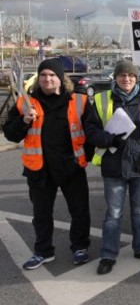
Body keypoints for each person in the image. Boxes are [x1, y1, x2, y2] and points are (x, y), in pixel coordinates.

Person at [3, 59, 92, 270]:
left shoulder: (79, 101)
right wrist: (24, 121)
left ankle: (79, 247)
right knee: (41, 214)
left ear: (61, 78)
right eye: (43, 75)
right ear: (38, 78)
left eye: (52, 75)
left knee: (79, 211)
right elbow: (11, 134)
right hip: (39, 169)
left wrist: (83, 158)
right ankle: (43, 251)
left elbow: (91, 130)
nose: (47, 79)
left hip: (71, 167)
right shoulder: (25, 103)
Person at [85, 60, 140, 275]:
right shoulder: (102, 99)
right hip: (114, 165)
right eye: (122, 75)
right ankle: (108, 254)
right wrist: (108, 139)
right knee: (113, 213)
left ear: (136, 77)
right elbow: (91, 130)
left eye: (130, 75)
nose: (127, 79)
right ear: (116, 77)